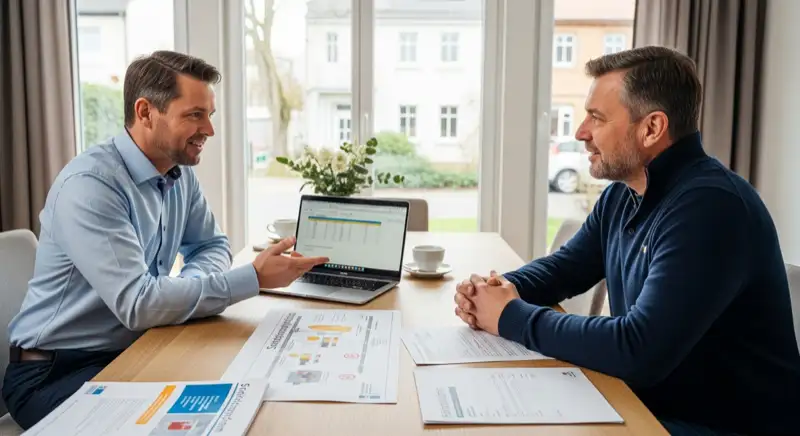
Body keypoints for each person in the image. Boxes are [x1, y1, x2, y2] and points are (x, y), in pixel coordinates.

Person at [454, 46, 800, 436]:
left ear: (651, 128)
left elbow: (637, 349)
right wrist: (496, 290)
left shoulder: (711, 207)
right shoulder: (625, 193)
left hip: (717, 426)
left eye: (596, 118)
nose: (580, 132)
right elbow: (565, 268)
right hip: (648, 405)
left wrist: (508, 316)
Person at [2, 51, 328, 429]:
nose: (209, 130)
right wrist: (252, 278)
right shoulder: (91, 187)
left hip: (136, 349)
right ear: (145, 112)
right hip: (53, 375)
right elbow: (139, 304)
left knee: (248, 390)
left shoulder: (178, 173)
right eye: (194, 115)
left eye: (209, 115)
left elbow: (211, 246)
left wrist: (175, 292)